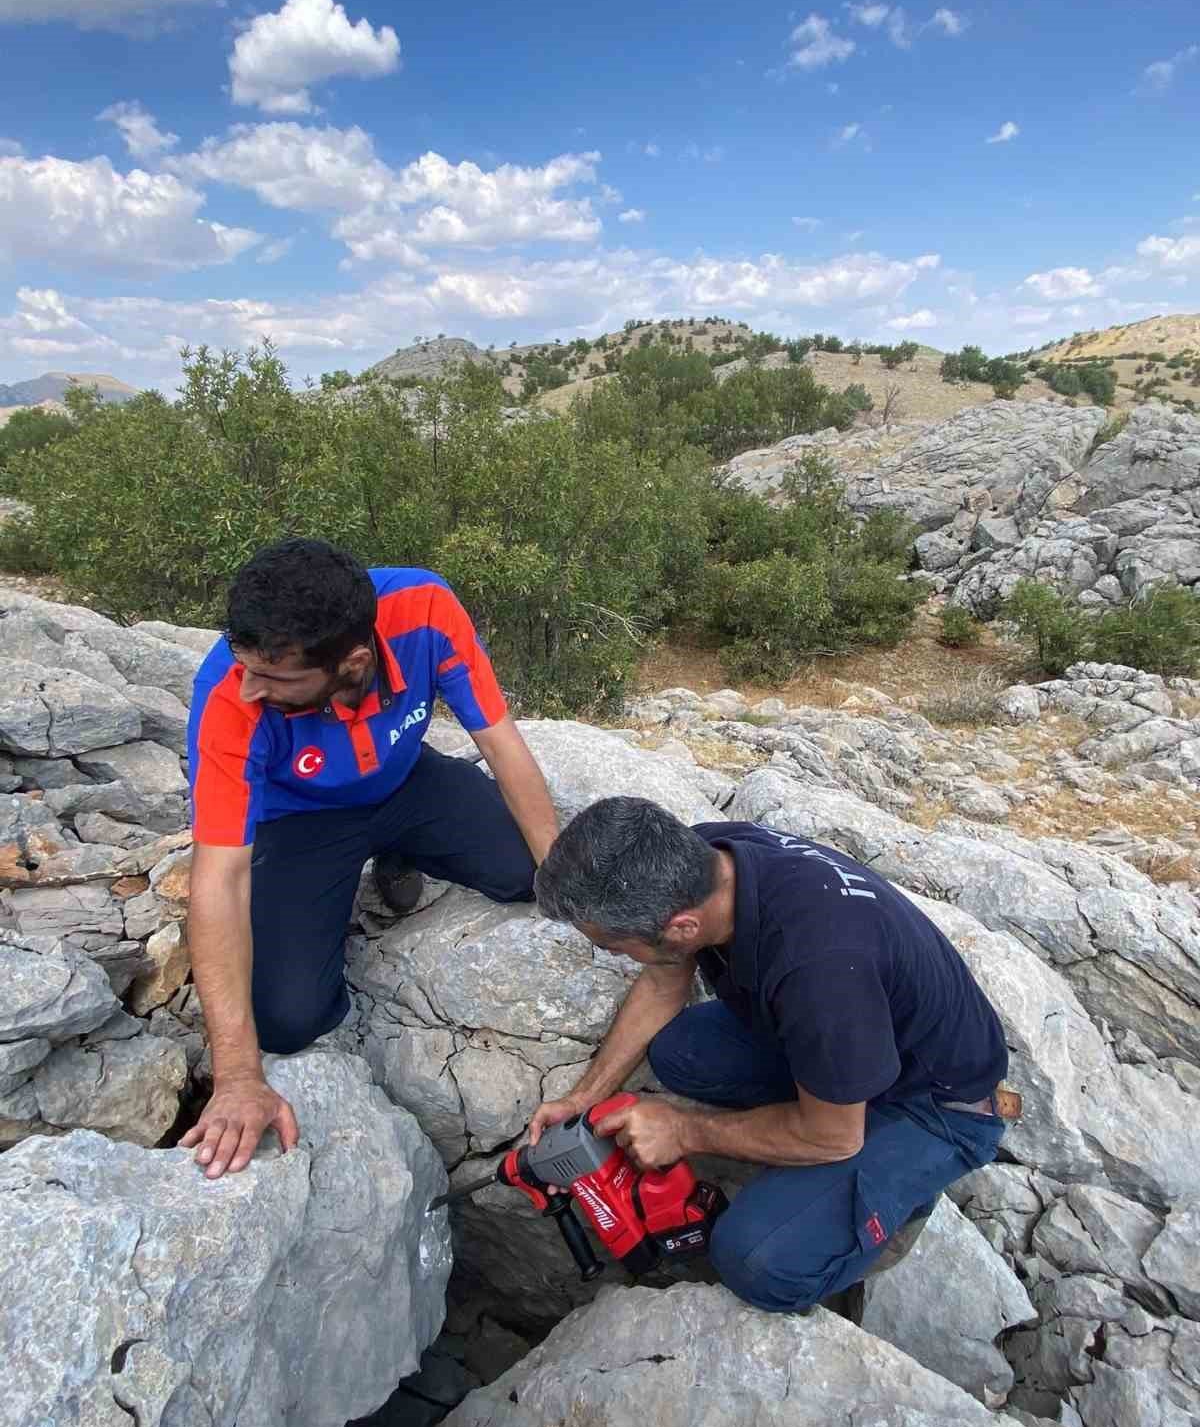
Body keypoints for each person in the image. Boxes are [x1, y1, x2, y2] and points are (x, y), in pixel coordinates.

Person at [529, 796, 1014, 1315]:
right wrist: (583, 1097)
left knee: (756, 1261)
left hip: (934, 1104)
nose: (615, 957)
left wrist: (683, 1131)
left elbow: (833, 1136)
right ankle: (833, 1096)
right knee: (680, 1052)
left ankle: (894, 1190)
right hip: (854, 1036)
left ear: (683, 927)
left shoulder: (818, 970)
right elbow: (661, 981)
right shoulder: (703, 859)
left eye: (616, 947)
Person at [180, 538, 558, 1181]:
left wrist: (562, 873)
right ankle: (364, 864)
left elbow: (499, 740)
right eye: (247, 667)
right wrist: (238, 1074)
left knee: (531, 872)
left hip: (406, 782)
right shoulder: (227, 693)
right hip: (299, 822)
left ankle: (399, 849)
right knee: (287, 1018)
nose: (250, 686)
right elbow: (219, 875)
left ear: (352, 661)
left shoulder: (425, 608)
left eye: (274, 679)